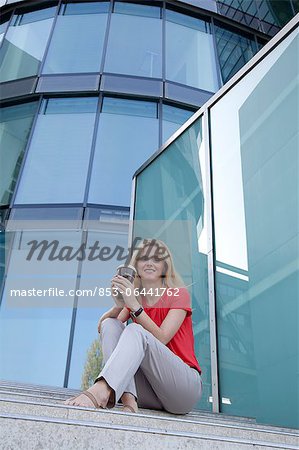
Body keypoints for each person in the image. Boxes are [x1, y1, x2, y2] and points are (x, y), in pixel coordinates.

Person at [64, 239, 202, 414]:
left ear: (165, 267)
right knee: (111, 324)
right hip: (150, 393)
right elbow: (104, 328)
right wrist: (120, 303)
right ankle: (130, 402)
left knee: (135, 330)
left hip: (182, 389)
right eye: (144, 258)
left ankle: (100, 390)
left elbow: (162, 338)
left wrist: (134, 307)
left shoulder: (178, 294)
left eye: (157, 259)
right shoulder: (135, 299)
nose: (150, 263)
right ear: (136, 266)